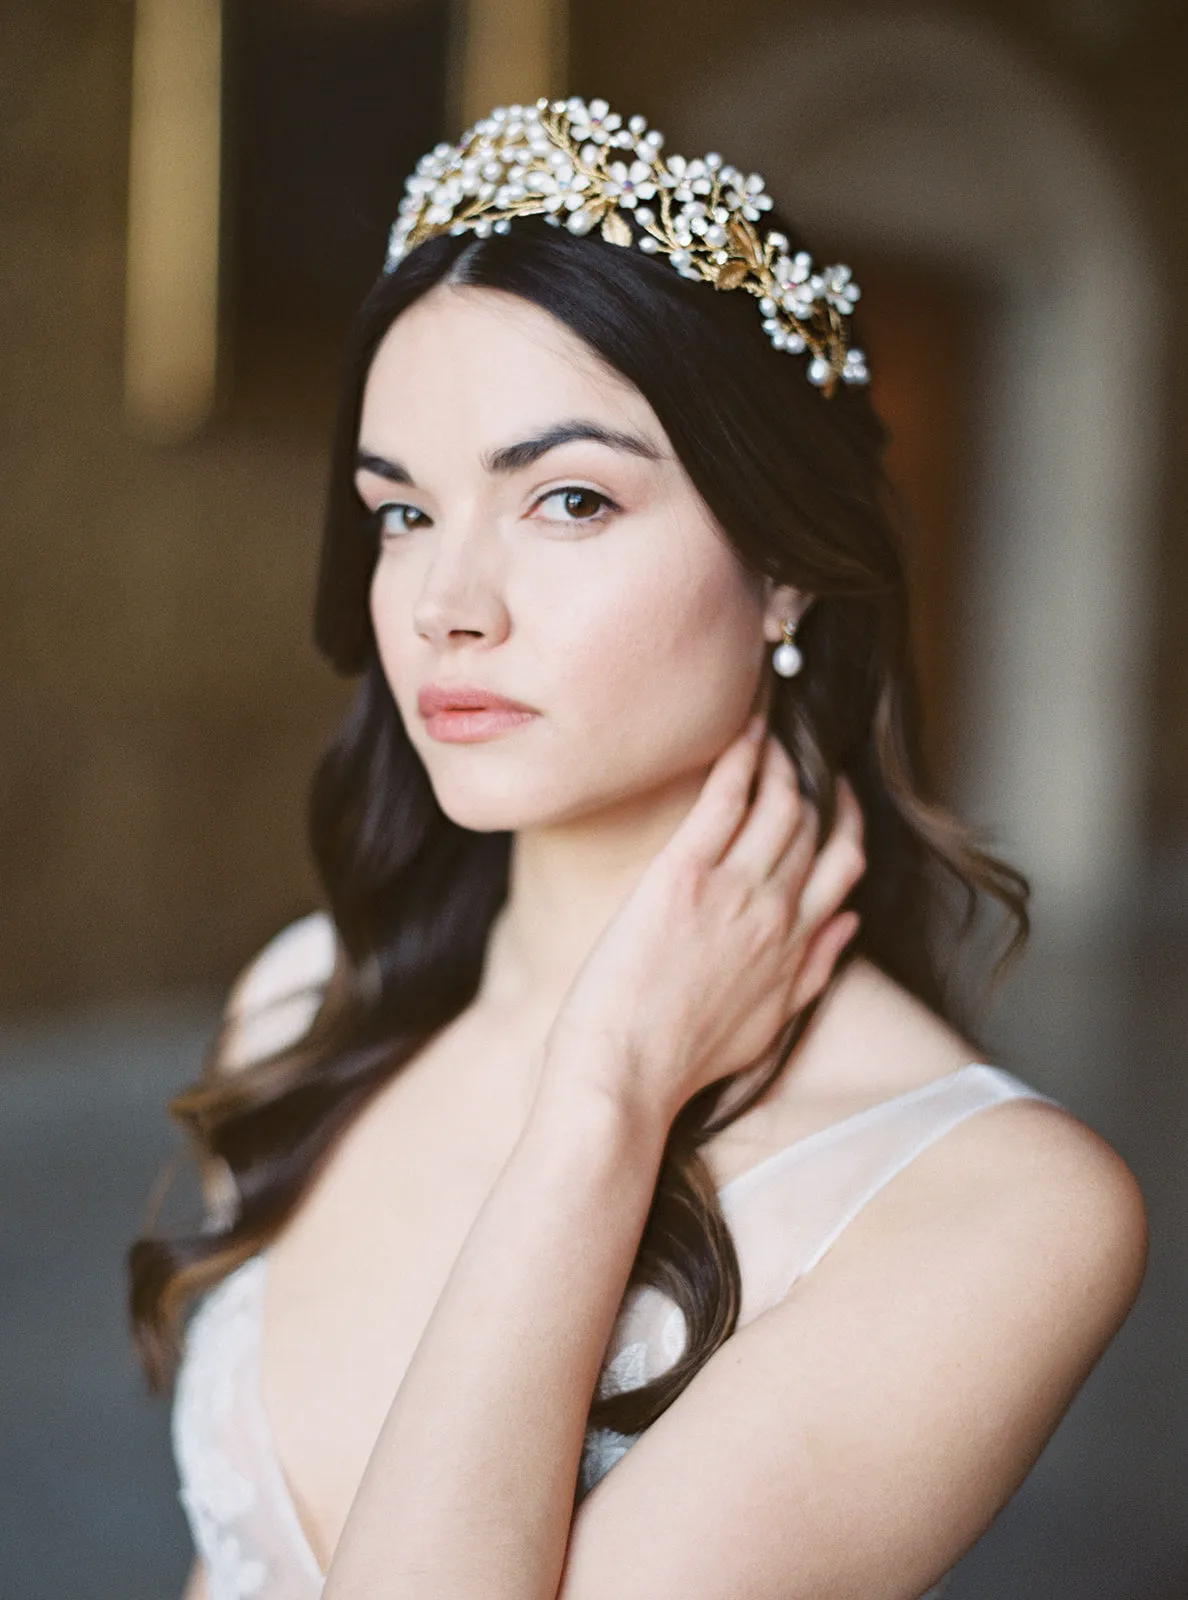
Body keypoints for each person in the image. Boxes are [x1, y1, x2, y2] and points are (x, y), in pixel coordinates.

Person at [129, 95, 1148, 1600]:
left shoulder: (1001, 1209)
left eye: (570, 498)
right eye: (401, 511)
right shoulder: (309, 997)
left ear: (789, 569)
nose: (445, 605)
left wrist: (603, 1098)